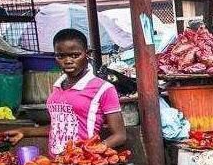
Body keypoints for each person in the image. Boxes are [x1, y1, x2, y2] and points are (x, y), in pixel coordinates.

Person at [11, 29, 126, 157]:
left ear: (86, 54)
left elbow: (120, 135)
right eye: (61, 56)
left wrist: (90, 151)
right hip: (58, 164)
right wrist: (24, 131)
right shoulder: (57, 87)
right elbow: (59, 127)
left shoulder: (103, 89)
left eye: (75, 55)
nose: (68, 61)